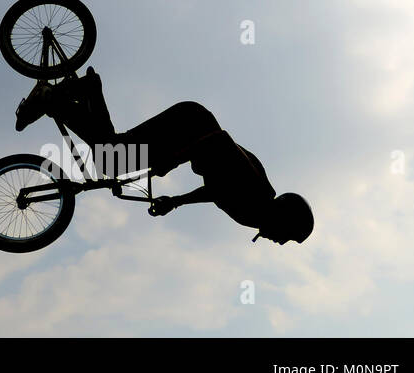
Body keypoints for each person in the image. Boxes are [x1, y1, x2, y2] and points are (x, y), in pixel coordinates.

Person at [16, 67, 313, 244]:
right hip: (189, 125)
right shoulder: (257, 192)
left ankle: (88, 90)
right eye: (288, 235)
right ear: (285, 218)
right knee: (112, 159)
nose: (282, 241)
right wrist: (172, 160)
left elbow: (217, 191)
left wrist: (176, 201)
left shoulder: (254, 210)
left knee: (112, 151)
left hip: (188, 130)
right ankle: (54, 97)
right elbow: (218, 141)